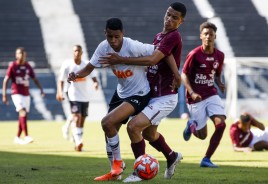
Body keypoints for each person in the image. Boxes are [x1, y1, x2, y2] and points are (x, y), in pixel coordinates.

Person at [67, 18, 164, 181]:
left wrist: (173, 74)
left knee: (107, 122)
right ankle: (116, 170)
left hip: (139, 93)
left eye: (116, 37)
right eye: (110, 36)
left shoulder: (132, 46)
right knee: (109, 130)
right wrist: (76, 75)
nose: (113, 41)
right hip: (121, 93)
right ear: (105, 34)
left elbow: (158, 52)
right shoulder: (103, 48)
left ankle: (119, 165)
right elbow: (89, 68)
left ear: (122, 34)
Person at [99, 2, 186, 182]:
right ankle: (171, 156)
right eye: (168, 14)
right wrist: (177, 73)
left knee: (133, 127)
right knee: (148, 134)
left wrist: (122, 59)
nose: (169, 19)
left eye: (174, 17)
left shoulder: (173, 36)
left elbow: (153, 59)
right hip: (153, 94)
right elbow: (166, 56)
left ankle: (139, 172)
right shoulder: (159, 37)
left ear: (181, 22)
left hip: (164, 97)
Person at [182, 22, 226, 168]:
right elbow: (184, 75)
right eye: (205, 34)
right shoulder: (194, 54)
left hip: (211, 93)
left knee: (221, 125)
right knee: (202, 136)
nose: (208, 36)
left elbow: (217, 74)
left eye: (211, 34)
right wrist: (192, 92)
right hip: (195, 98)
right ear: (201, 36)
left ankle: (206, 159)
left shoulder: (220, 55)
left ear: (215, 37)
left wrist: (219, 83)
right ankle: (191, 125)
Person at [56, 45, 99, 151]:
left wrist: (95, 83)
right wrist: (60, 92)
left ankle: (75, 141)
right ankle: (79, 142)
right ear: (72, 52)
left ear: (82, 52)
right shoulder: (67, 64)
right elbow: (61, 79)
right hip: (72, 94)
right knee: (77, 117)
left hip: (84, 96)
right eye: (75, 51)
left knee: (82, 120)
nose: (77, 53)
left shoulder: (86, 64)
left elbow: (93, 76)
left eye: (79, 51)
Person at [2, 47, 45, 144]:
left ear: (25, 55)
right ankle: (26, 136)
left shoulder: (27, 66)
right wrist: (4, 95)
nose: (21, 55)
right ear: (16, 55)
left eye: (22, 53)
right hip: (16, 93)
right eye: (19, 53)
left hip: (26, 94)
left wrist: (41, 89)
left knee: (23, 116)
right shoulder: (13, 66)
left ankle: (17, 137)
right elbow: (6, 81)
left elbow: (35, 79)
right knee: (23, 112)